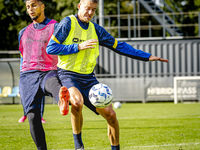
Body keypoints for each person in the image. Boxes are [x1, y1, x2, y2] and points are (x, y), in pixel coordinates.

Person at [46, 0, 169, 149]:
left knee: (111, 115)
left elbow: (118, 45)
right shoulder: (68, 23)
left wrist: (146, 56)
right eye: (87, 9)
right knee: (77, 103)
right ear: (79, 6)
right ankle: (79, 146)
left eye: (93, 10)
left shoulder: (96, 30)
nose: (90, 13)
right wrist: (77, 47)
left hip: (89, 78)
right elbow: (51, 48)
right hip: (68, 74)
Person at [18, 0, 70, 149]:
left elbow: (63, 50)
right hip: (27, 75)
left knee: (53, 85)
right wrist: (21, 85)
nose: (31, 9)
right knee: (33, 117)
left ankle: (62, 101)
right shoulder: (23, 32)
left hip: (48, 70)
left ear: (42, 6)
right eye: (28, 7)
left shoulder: (56, 27)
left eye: (34, 5)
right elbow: (23, 58)